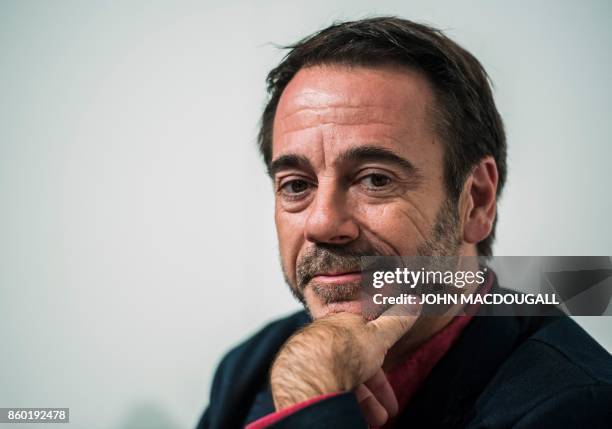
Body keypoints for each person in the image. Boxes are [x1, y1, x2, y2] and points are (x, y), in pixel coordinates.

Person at [196, 17, 612, 428]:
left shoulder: (577, 405)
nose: (323, 225)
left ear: (476, 202)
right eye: (296, 185)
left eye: (375, 179)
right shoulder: (247, 367)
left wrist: (311, 400)